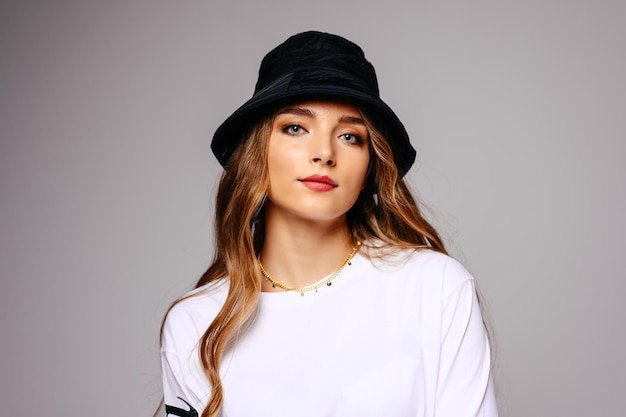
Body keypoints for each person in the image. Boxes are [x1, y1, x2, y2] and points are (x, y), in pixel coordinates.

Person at [159, 31, 498, 417]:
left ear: (371, 164)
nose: (324, 153)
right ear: (257, 149)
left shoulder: (435, 289)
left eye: (350, 136)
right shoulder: (197, 322)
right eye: (295, 128)